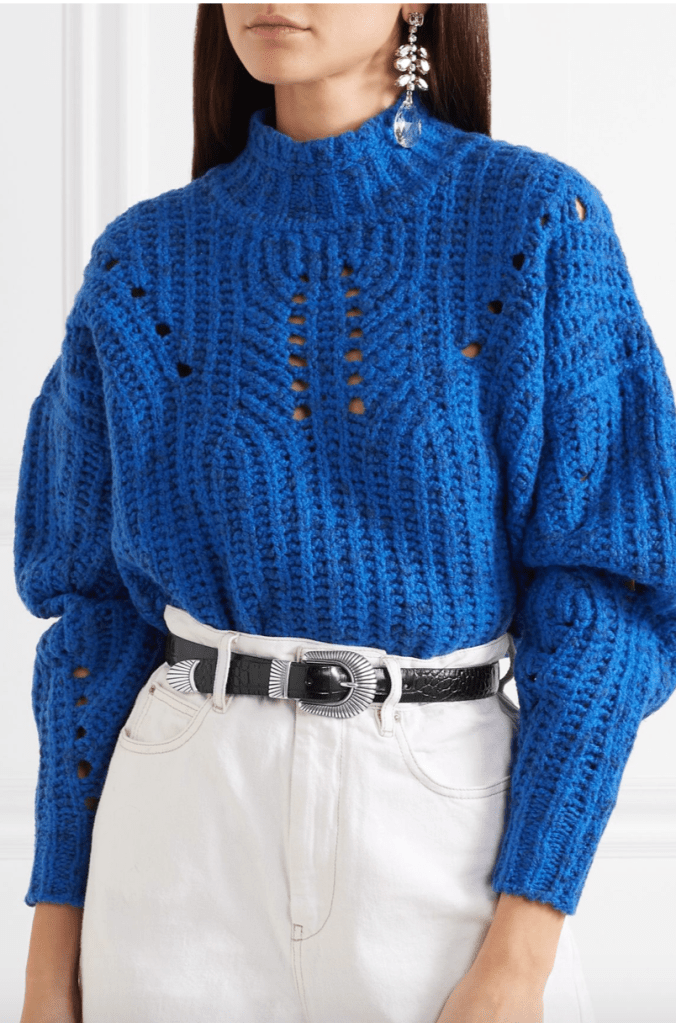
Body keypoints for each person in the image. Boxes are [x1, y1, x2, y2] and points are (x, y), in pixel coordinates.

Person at [16, 4, 676, 1023]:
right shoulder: (141, 263)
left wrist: (524, 944)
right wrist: (47, 955)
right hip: (179, 835)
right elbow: (94, 623)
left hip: (442, 828)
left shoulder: (533, 224)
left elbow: (608, 598)